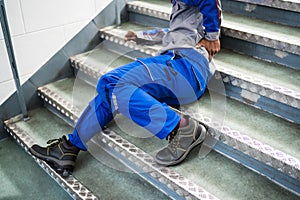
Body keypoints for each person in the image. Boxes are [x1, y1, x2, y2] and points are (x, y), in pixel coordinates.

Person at [29, 0, 221, 175]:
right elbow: (173, 33)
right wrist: (139, 36)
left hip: (182, 66)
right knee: (112, 92)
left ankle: (181, 127)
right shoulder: (186, 13)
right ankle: (68, 148)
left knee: (112, 81)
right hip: (186, 78)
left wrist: (213, 35)